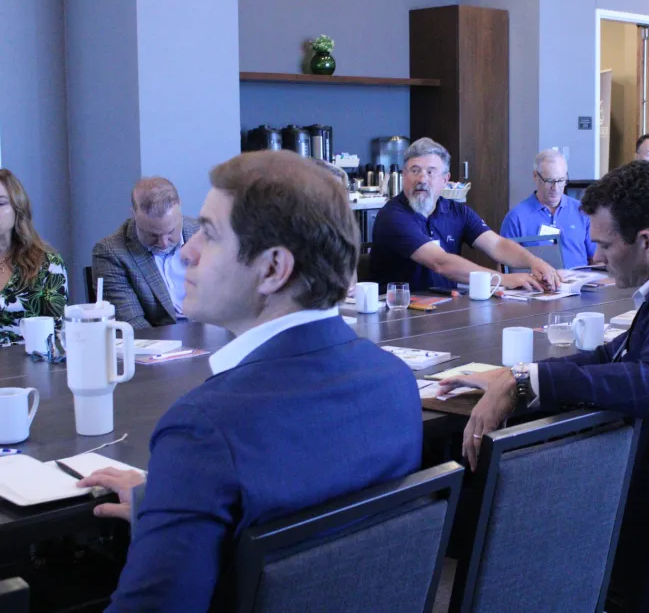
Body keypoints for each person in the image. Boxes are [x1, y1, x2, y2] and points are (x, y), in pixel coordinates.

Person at [78, 151, 423, 611]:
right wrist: (174, 502)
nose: (187, 250)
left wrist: (186, 478)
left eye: (210, 233)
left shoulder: (203, 431)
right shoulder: (396, 383)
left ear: (273, 269)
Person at [439, 161, 649, 612]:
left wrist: (527, 382)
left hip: (646, 518)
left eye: (606, 243)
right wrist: (521, 376)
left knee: (464, 502)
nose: (597, 255)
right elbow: (619, 354)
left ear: (648, 243)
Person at [370, 138, 562, 291]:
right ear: (404, 176)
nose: (422, 179)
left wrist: (534, 262)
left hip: (446, 309)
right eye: (415, 171)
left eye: (431, 172)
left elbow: (497, 244)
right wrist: (503, 279)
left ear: (445, 180)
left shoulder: (457, 211)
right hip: (399, 314)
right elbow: (440, 262)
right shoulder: (393, 216)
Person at [92, 177, 200, 328]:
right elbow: (132, 325)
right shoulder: (112, 253)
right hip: (161, 343)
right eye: (152, 235)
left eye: (171, 232)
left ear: (180, 207)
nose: (163, 243)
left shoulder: (205, 234)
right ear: (134, 215)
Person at [0, 170, 68, 346]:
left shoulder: (47, 263)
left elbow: (58, 330)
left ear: (18, 208)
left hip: (28, 365)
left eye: (0, 203)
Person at [500, 149, 596, 268]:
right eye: (549, 181)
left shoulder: (582, 211)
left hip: (580, 284)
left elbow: (597, 260)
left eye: (561, 180)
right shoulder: (516, 218)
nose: (555, 188)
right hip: (535, 284)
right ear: (535, 176)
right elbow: (504, 267)